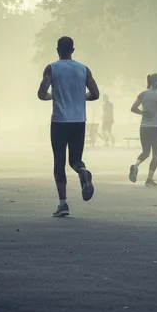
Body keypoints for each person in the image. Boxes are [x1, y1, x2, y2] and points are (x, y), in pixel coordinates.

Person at [38, 36, 100, 217]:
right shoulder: (84, 69)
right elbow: (95, 94)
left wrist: (53, 96)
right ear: (73, 50)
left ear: (57, 50)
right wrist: (82, 97)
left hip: (59, 121)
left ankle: (63, 204)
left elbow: (41, 93)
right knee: (75, 160)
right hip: (78, 121)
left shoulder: (51, 69)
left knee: (59, 162)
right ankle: (82, 172)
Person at [129, 74, 157, 187]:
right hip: (156, 129)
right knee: (155, 155)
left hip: (144, 128)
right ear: (155, 82)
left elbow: (133, 108)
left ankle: (135, 165)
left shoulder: (143, 94)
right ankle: (149, 179)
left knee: (145, 152)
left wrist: (142, 113)